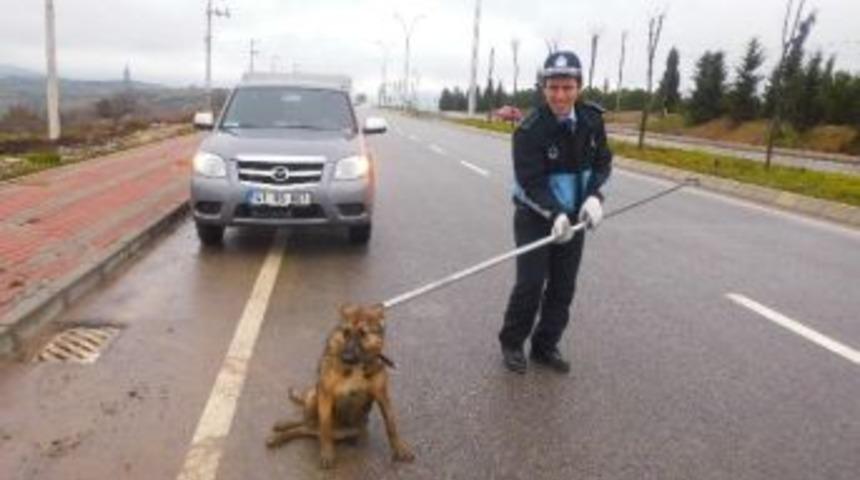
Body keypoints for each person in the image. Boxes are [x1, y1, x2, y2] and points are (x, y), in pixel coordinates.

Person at [499, 50, 613, 374]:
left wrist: (595, 197)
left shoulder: (592, 120)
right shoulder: (529, 131)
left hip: (575, 218)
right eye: (553, 88)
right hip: (535, 216)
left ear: (579, 87)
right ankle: (511, 341)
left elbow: (603, 162)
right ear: (543, 88)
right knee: (531, 283)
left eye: (567, 87)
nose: (560, 95)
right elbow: (530, 183)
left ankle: (545, 345)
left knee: (563, 287)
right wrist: (554, 213)